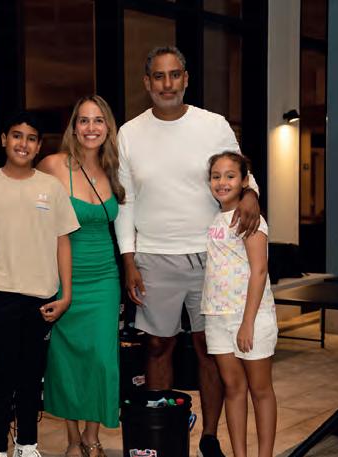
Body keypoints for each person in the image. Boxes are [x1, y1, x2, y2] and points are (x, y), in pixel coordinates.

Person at [115, 45, 261, 457]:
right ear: (147, 82)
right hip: (153, 257)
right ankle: (161, 436)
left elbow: (242, 175)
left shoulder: (213, 125)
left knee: (209, 348)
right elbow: (126, 202)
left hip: (211, 255)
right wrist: (129, 260)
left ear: (186, 79)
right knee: (158, 346)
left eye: (175, 74)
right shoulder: (129, 133)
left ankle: (209, 437)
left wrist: (251, 195)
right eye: (159, 76)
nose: (168, 84)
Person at [0, 111, 80, 457]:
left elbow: (63, 240)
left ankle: (27, 444)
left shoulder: (51, 188)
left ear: (39, 146)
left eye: (31, 138)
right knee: (0, 375)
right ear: (3, 140)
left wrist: (66, 294)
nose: (23, 144)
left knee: (31, 376)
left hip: (42, 297)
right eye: (16, 136)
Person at [37, 95, 124, 457]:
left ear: (108, 128)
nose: (91, 127)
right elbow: (30, 214)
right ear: (74, 127)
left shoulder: (114, 169)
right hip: (64, 276)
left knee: (101, 359)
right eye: (84, 120)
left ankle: (92, 435)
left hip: (104, 277)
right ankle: (73, 439)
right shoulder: (52, 165)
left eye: (98, 120)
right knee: (67, 359)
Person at [202, 152, 277, 457]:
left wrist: (247, 323)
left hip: (249, 317)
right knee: (233, 389)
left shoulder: (250, 218)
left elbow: (259, 271)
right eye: (216, 176)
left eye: (230, 176)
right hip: (216, 316)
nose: (222, 182)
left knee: (260, 390)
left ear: (245, 181)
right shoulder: (216, 218)